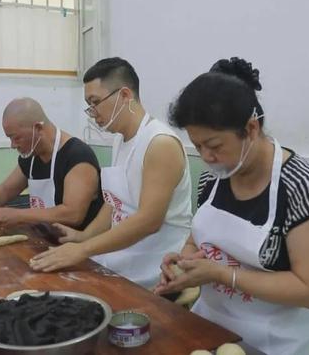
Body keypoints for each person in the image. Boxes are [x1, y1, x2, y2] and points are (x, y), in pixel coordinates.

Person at [155, 57, 309, 355]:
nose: (206, 156)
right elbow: (197, 240)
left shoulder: (301, 187)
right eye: (198, 146)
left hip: (276, 342)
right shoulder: (213, 180)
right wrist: (183, 263)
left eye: (215, 146)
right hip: (211, 328)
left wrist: (221, 275)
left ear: (251, 129)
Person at [31, 57, 193, 290]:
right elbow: (114, 203)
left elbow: (149, 221)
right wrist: (83, 236)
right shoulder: (120, 140)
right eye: (89, 105)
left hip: (152, 266)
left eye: (95, 102)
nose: (92, 113)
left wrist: (83, 249)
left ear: (125, 95)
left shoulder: (159, 144)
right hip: (120, 256)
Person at [0, 98, 104, 230]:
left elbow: (73, 214)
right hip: (45, 240)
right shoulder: (31, 155)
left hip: (78, 250)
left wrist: (19, 215)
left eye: (16, 138)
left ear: (38, 128)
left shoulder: (77, 156)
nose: (12, 145)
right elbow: (6, 190)